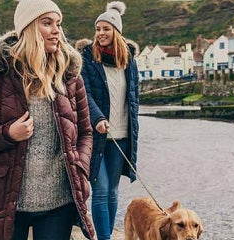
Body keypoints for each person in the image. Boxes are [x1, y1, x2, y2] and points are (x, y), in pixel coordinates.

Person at [0, 0, 96, 239]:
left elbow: (85, 132)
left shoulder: (70, 77)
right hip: (8, 202)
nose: (56, 30)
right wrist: (7, 134)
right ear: (28, 28)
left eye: (58, 24)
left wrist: (80, 167)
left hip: (58, 203)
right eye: (47, 23)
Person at [79, 1, 139, 240]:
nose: (101, 33)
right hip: (97, 135)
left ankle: (107, 236)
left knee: (113, 192)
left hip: (122, 136)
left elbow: (133, 98)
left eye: (106, 28)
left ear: (117, 31)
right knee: (101, 190)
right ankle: (103, 238)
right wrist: (98, 118)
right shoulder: (87, 58)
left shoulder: (129, 62)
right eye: (98, 29)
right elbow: (85, 94)